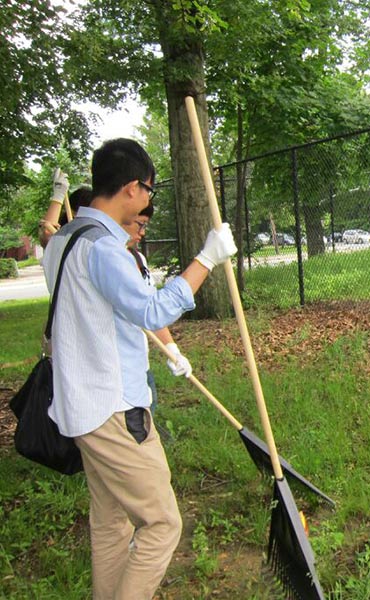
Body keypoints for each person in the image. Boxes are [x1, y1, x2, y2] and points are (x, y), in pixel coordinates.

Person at [42, 138, 236, 599]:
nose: (149, 199)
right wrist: (207, 259)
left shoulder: (64, 241)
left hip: (80, 406)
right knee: (162, 524)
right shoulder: (105, 250)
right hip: (113, 408)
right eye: (149, 189)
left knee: (110, 524)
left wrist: (171, 352)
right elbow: (151, 312)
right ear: (131, 188)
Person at [123, 202, 192, 417]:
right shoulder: (105, 257)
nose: (142, 233)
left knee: (148, 415)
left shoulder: (138, 259)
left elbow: (151, 310)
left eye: (145, 227)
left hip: (139, 364)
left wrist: (172, 348)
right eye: (139, 225)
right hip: (114, 376)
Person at [38, 168, 93, 247]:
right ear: (73, 212)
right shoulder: (67, 231)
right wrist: (58, 196)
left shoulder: (97, 233)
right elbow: (47, 234)